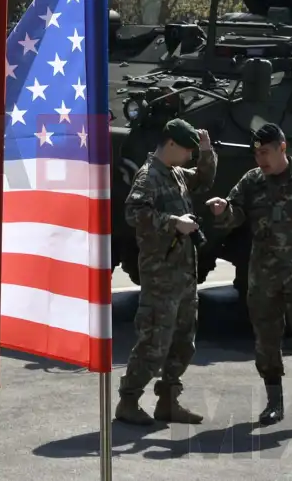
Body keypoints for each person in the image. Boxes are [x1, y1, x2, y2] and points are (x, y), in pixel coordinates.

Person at [205, 123, 292, 434]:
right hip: (264, 277)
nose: (261, 160)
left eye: (266, 153)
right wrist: (222, 211)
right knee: (266, 342)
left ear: (283, 148)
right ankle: (274, 405)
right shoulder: (252, 181)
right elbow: (234, 216)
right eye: (257, 154)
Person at [115, 118, 216, 426]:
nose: (189, 156)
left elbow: (203, 180)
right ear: (170, 144)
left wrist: (206, 151)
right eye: (187, 150)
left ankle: (168, 401)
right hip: (161, 277)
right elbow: (134, 213)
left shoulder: (175, 173)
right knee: (154, 343)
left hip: (183, 275)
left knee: (183, 342)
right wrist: (174, 222)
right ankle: (128, 401)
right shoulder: (149, 176)